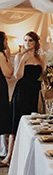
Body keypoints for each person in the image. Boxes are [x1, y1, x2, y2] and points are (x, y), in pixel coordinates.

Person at [2, 32, 45, 166]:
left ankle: (29, 155)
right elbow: (17, 75)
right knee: (16, 121)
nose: (27, 43)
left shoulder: (40, 58)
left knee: (33, 122)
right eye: (25, 40)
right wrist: (23, 60)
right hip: (22, 91)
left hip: (35, 92)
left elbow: (42, 75)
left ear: (35, 43)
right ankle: (9, 156)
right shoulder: (20, 56)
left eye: (30, 40)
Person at [0, 32, 14, 162]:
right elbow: (8, 73)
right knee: (2, 115)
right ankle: (2, 150)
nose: (7, 43)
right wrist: (8, 58)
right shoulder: (0, 55)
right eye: (6, 40)